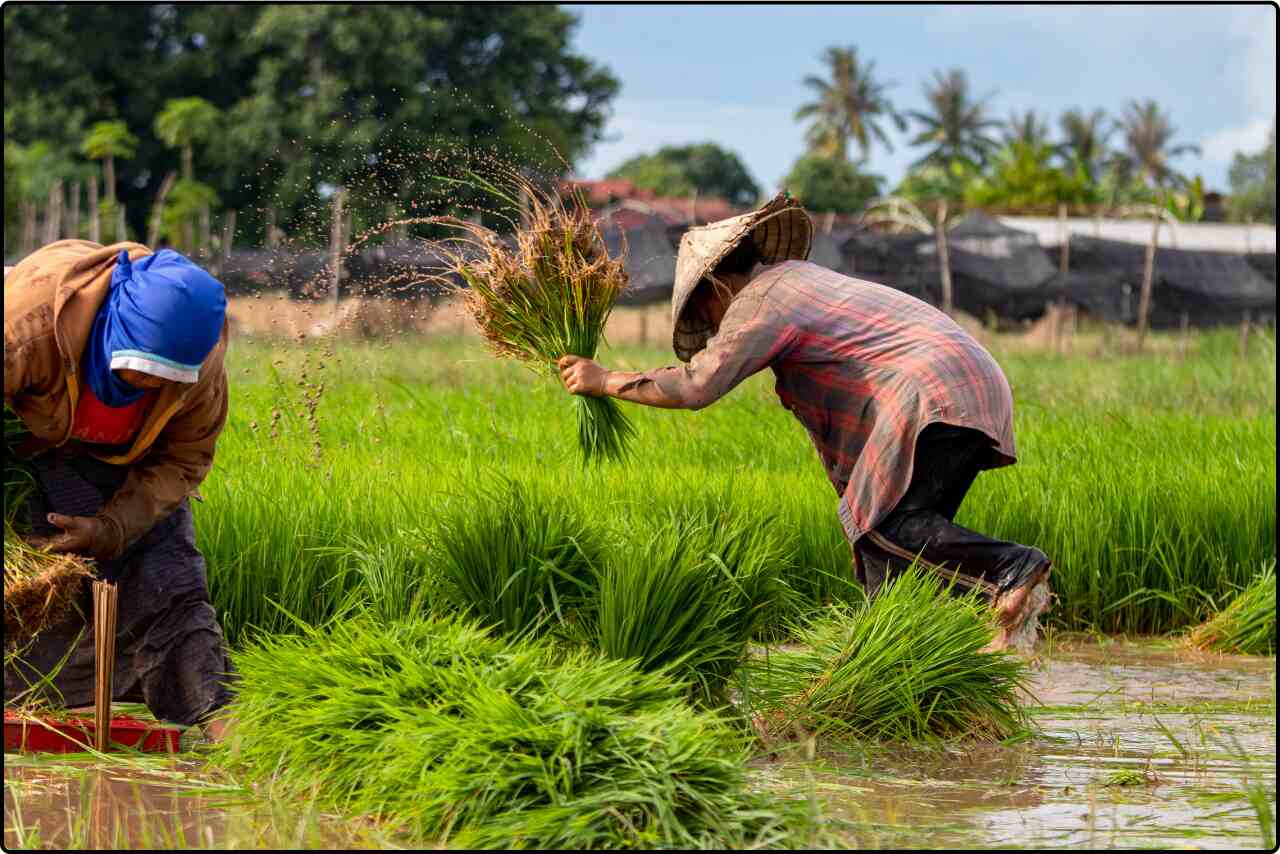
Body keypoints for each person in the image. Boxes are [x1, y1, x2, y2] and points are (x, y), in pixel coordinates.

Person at [558, 193, 1052, 652]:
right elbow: (845, 431)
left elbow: (696, 386)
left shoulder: (763, 299)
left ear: (716, 284)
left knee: (888, 526)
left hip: (932, 390)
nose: (713, 326)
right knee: (893, 559)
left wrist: (605, 381)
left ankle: (1012, 566)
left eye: (705, 312)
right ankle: (907, 667)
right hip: (968, 384)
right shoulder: (802, 285)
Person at [4, 239, 235, 737]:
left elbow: (183, 459)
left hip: (124, 465)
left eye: (162, 378)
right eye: (135, 367)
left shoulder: (200, 371)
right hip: (21, 445)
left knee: (170, 584)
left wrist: (110, 527)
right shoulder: (25, 329)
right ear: (111, 326)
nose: (143, 384)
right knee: (28, 603)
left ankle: (220, 720)